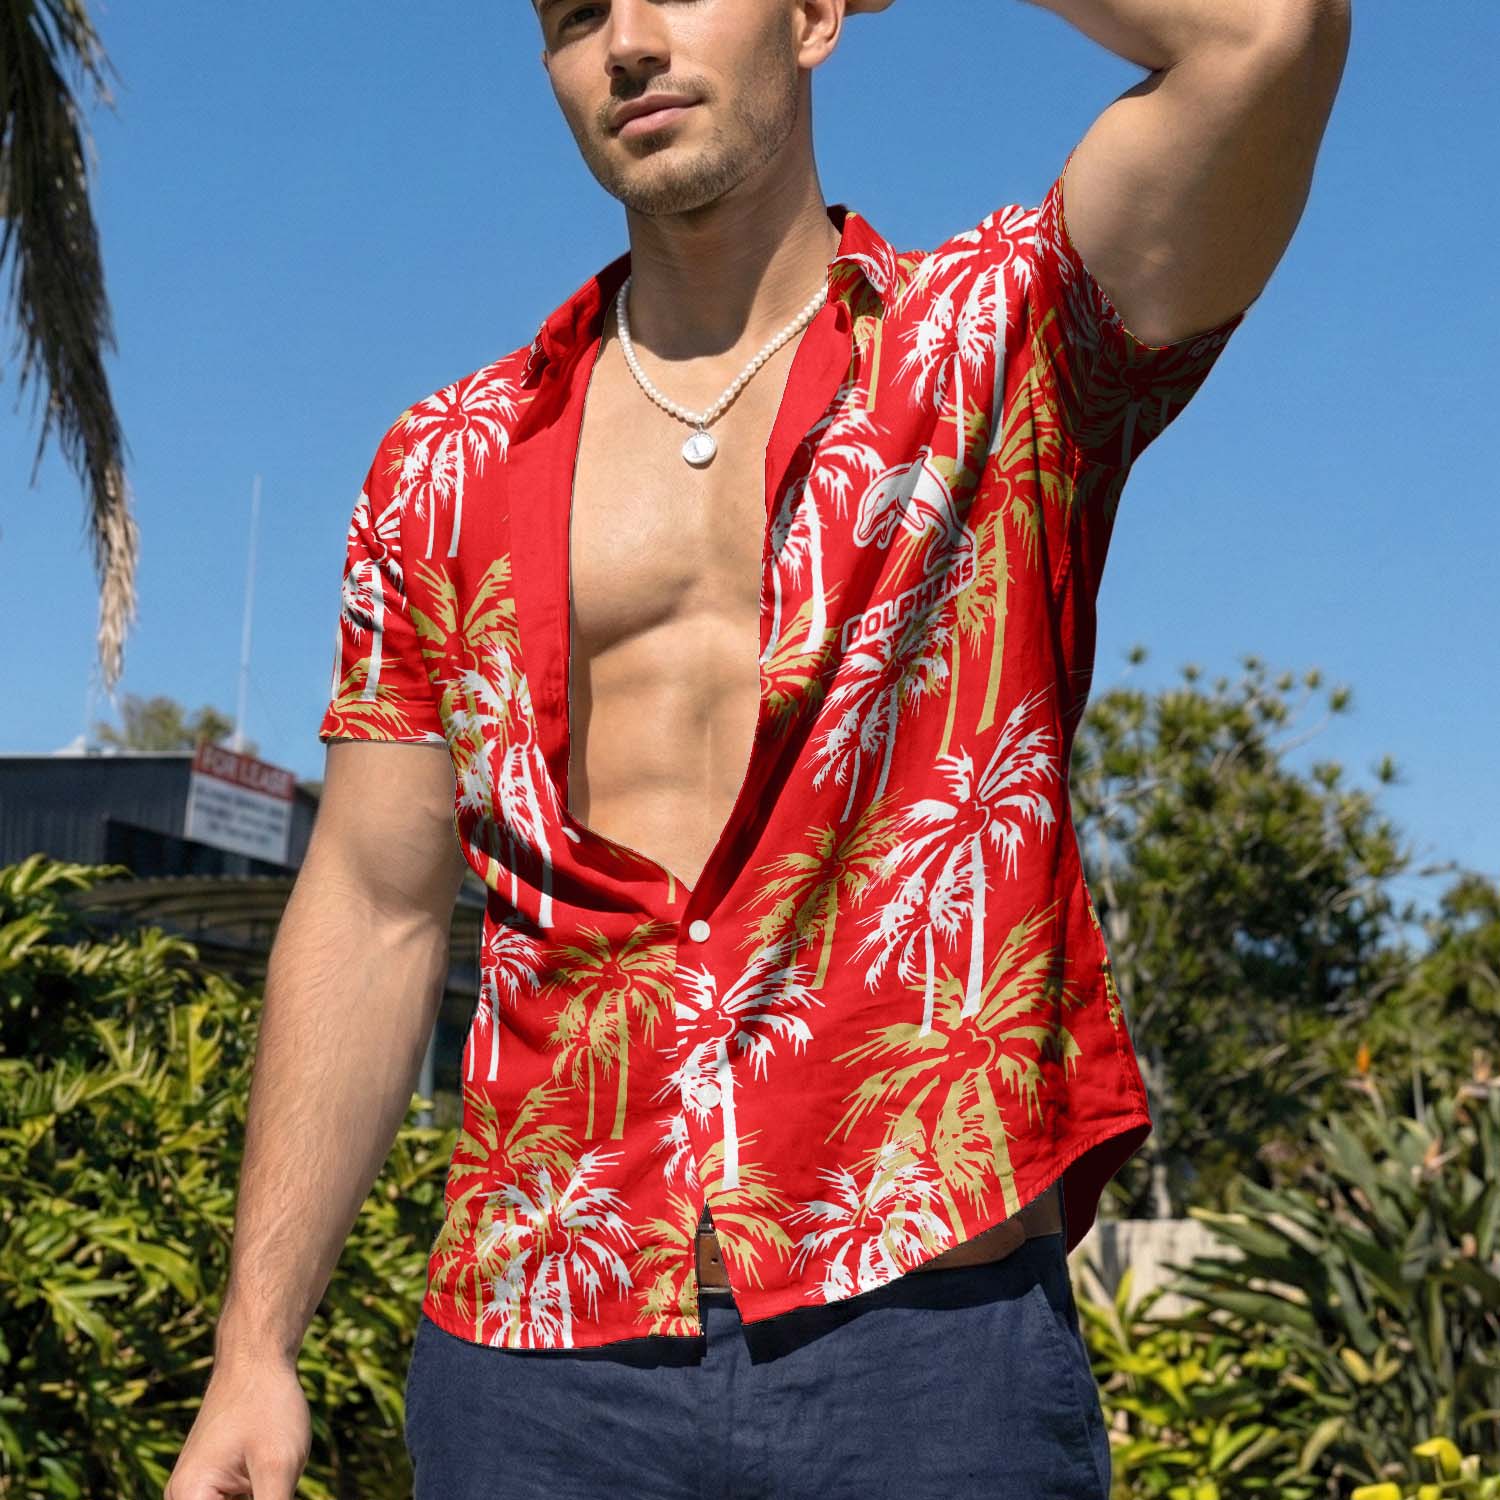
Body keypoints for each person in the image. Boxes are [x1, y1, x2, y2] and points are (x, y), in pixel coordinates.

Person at [164, 1, 1350, 1496]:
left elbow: (1267, 35)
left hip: (928, 1330)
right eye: (576, 13)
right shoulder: (441, 467)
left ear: (816, 16)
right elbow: (372, 901)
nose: (627, 41)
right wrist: (254, 1345)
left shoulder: (999, 340)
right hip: (539, 1349)